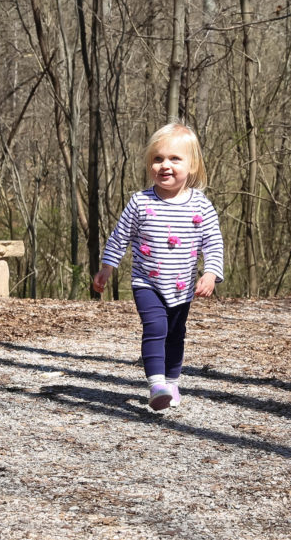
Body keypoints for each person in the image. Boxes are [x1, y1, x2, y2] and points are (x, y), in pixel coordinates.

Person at [93, 122, 225, 411]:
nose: (165, 165)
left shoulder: (200, 206)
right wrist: (106, 268)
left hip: (182, 287)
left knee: (176, 334)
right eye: (158, 158)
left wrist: (211, 273)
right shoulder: (140, 202)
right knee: (155, 328)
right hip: (147, 282)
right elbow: (120, 236)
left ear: (192, 166)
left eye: (175, 159)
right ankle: (156, 385)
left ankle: (172, 382)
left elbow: (213, 243)